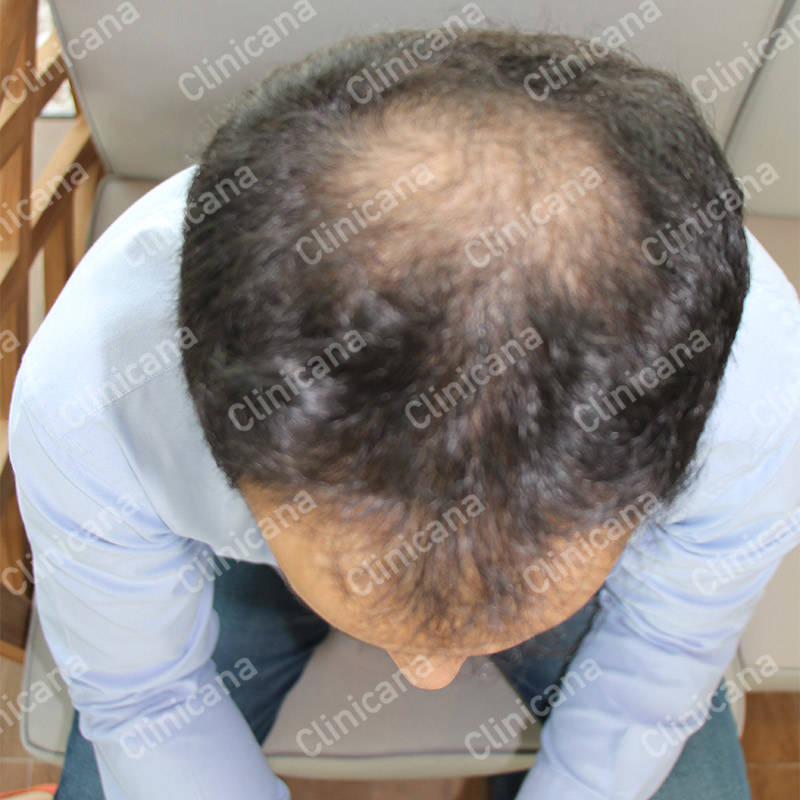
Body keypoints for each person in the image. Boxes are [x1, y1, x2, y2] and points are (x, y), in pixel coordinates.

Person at [9, 28, 800, 800]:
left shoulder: (761, 410)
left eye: (507, 600)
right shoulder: (93, 405)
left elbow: (663, 650)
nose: (428, 675)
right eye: (358, 582)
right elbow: (146, 694)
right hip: (222, 562)